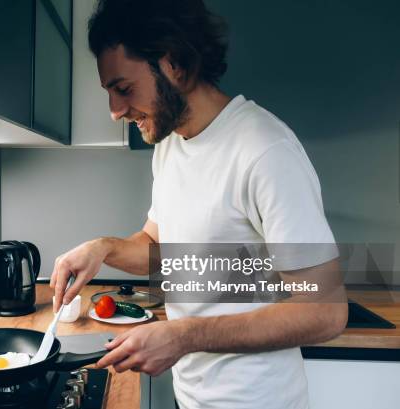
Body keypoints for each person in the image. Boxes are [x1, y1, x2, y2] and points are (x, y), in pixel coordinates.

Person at [50, 1, 348, 408]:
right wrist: (102, 248)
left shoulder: (265, 150)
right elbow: (162, 251)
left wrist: (183, 335)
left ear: (173, 63)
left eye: (124, 89)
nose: (116, 111)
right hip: (191, 398)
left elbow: (325, 312)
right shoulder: (170, 143)